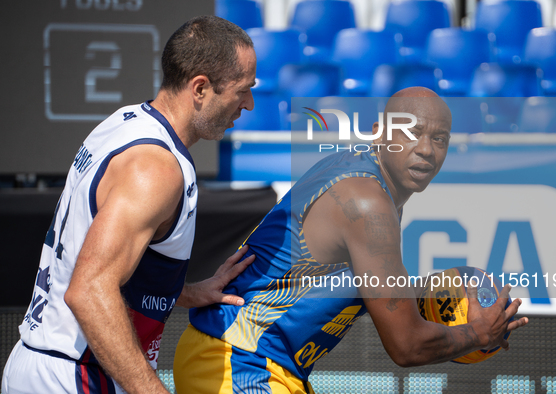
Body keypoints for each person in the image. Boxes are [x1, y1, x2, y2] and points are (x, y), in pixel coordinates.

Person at [173, 87, 529, 393]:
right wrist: (480, 333)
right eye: (411, 132)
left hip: (255, 362)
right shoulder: (367, 201)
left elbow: (338, 281)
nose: (425, 148)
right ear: (379, 133)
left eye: (439, 139)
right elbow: (406, 346)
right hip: (237, 361)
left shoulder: (364, 179)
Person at [1, 15, 257, 394]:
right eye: (242, 90)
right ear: (200, 88)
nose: (249, 104)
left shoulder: (126, 121)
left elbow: (104, 263)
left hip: (44, 365)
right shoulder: (157, 169)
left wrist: (184, 291)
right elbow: (89, 290)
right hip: (76, 377)